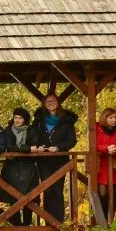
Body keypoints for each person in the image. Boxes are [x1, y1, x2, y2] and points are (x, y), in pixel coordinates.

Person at [28, 94, 78, 223]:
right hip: (43, 160)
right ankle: (48, 221)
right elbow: (33, 137)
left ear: (58, 102)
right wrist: (38, 147)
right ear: (44, 103)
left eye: (53, 100)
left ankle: (58, 222)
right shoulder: (39, 121)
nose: (51, 103)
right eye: (47, 101)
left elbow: (72, 141)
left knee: (57, 189)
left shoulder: (66, 120)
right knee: (47, 189)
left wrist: (58, 147)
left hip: (60, 161)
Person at [0, 108, 37, 226]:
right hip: (11, 167)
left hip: (28, 167)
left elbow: (35, 143)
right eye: (15, 117)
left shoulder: (31, 130)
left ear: (25, 119)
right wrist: (28, 149)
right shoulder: (8, 130)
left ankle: (26, 225)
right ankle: (16, 226)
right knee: (12, 196)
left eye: (20, 118)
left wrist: (28, 149)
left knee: (28, 197)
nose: (17, 120)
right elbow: (9, 147)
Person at [96, 107, 116, 216]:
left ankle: (110, 221)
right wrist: (107, 149)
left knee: (112, 193)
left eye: (115, 117)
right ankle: (101, 220)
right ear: (105, 118)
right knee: (102, 193)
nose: (114, 120)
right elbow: (95, 145)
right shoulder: (97, 128)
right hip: (102, 165)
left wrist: (113, 148)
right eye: (111, 117)